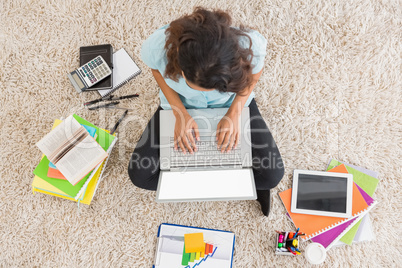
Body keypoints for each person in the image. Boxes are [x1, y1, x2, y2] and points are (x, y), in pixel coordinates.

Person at [128, 7, 284, 216]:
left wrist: (234, 113)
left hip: (233, 105)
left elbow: (255, 74)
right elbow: (155, 70)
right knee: (140, 175)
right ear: (181, 69)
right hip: (179, 105)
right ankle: (231, 182)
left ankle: (229, 182)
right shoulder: (157, 47)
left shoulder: (250, 45)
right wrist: (180, 113)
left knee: (273, 176)